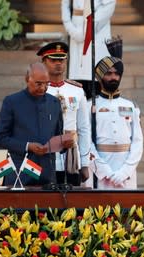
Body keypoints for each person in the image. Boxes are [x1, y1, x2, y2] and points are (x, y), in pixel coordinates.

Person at [0, 62, 73, 186]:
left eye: (46, 83)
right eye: (38, 83)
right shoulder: (12, 102)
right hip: (19, 174)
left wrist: (65, 144)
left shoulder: (54, 103)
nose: (43, 88)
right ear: (27, 79)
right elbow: (0, 138)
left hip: (47, 175)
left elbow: (57, 137)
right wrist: (27, 146)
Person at [37, 42, 92, 187]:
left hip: (71, 156)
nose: (58, 63)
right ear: (43, 62)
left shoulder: (77, 90)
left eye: (61, 59)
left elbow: (84, 128)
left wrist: (85, 163)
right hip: (44, 155)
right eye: (53, 60)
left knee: (72, 205)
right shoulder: (37, 91)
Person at [86, 56, 143, 189]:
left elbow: (138, 141)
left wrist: (125, 171)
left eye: (117, 74)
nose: (113, 77)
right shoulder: (90, 106)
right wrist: (104, 171)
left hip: (126, 173)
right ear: (100, 77)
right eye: (109, 73)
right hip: (99, 171)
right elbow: (86, 142)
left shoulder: (131, 106)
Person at [61, 0, 116, 98]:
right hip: (75, 31)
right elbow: (65, 4)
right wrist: (70, 27)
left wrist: (88, 28)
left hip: (97, 31)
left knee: (95, 79)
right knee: (75, 88)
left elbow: (109, 5)